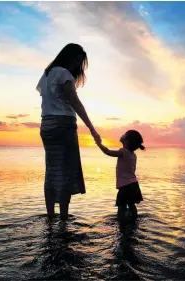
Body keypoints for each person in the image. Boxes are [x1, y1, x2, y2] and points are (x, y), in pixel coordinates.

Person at [36, 43, 101, 220]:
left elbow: (46, 99)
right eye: (75, 60)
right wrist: (92, 128)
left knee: (52, 171)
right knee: (65, 172)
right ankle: (63, 219)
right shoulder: (64, 74)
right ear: (67, 56)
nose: (76, 66)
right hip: (63, 125)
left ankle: (50, 217)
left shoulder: (48, 73)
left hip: (46, 125)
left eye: (79, 63)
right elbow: (75, 102)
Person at [96, 130, 145, 221]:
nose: (122, 135)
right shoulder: (133, 155)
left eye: (124, 134)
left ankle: (121, 224)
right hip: (134, 184)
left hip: (125, 186)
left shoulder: (123, 152)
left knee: (121, 207)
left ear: (127, 141)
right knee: (131, 205)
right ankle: (134, 220)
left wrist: (99, 144)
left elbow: (108, 152)